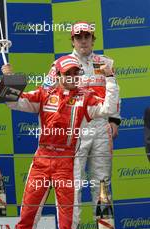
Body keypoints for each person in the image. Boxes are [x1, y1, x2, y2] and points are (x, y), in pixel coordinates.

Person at [1, 55, 119, 229]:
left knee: (67, 222)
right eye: (68, 73)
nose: (73, 77)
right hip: (42, 159)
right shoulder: (44, 93)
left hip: (67, 162)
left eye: (76, 73)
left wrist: (110, 78)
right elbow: (13, 103)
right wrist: (8, 79)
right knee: (27, 214)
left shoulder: (86, 97)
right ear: (58, 74)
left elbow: (108, 109)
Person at [44, 21, 121, 216]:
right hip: (74, 129)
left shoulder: (107, 63)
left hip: (101, 127)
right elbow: (46, 94)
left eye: (87, 36)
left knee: (102, 180)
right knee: (73, 181)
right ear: (72, 41)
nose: (83, 41)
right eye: (79, 37)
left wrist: (114, 120)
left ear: (93, 39)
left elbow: (114, 94)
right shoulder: (59, 65)